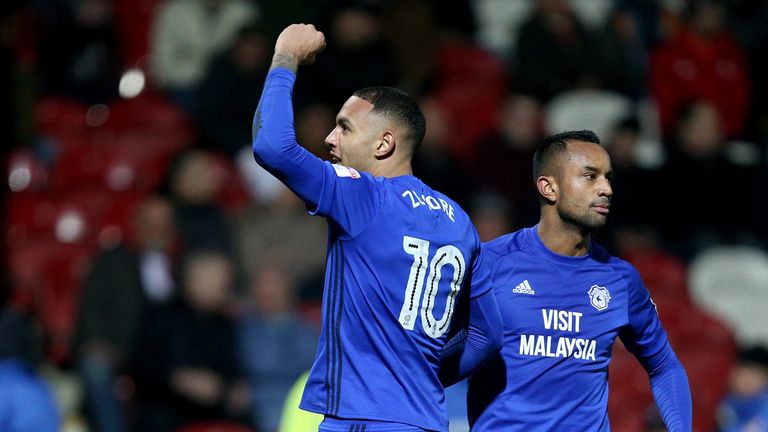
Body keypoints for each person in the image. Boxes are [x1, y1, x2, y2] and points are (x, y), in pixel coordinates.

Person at [252, 24, 502, 432]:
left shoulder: (366, 197)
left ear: (384, 144)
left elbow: (272, 147)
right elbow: (488, 334)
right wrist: (421, 377)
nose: (331, 139)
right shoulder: (460, 221)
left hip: (362, 420)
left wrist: (285, 57)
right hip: (424, 421)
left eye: (345, 127)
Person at [465, 130, 691, 430]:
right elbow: (435, 356)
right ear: (548, 188)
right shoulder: (490, 264)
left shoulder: (620, 280)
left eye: (608, 177)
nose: (606, 189)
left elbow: (664, 366)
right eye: (590, 176)